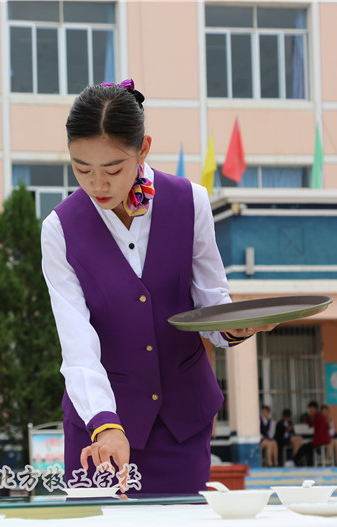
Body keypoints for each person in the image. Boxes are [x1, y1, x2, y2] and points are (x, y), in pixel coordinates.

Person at [41, 80, 276, 495]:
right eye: (82, 169)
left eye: (113, 169)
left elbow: (210, 303)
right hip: (100, 434)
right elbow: (77, 342)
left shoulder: (191, 202)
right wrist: (104, 423)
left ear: (143, 149)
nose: (97, 184)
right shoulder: (60, 229)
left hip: (181, 424)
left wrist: (233, 327)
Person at [296, 401, 330, 466]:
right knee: (306, 448)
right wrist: (310, 417)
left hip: (321, 440)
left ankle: (300, 461)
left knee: (306, 447)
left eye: (311, 409)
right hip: (318, 439)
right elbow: (310, 425)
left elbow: (313, 424)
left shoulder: (319, 416)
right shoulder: (316, 416)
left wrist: (311, 417)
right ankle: (302, 462)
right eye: (310, 409)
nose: (310, 410)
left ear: (315, 408)